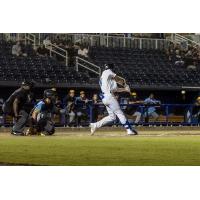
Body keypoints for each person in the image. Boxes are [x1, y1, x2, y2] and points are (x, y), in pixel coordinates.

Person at [90, 64, 138, 135]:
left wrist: (125, 89)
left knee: (112, 117)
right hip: (109, 97)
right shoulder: (107, 72)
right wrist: (125, 85)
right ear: (111, 68)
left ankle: (95, 125)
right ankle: (129, 130)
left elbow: (115, 89)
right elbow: (119, 79)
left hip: (105, 98)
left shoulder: (106, 79)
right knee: (120, 113)